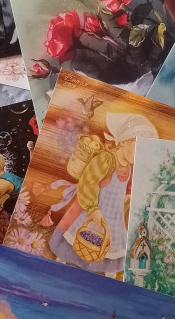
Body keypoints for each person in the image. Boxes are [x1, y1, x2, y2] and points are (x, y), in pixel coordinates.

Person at [42, 113, 158, 276]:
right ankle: (57, 268)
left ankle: (106, 280)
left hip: (113, 218)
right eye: (137, 146)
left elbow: (124, 191)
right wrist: (93, 209)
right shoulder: (106, 159)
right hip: (92, 212)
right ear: (124, 141)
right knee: (75, 241)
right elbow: (88, 181)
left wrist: (128, 199)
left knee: (109, 250)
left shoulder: (129, 168)